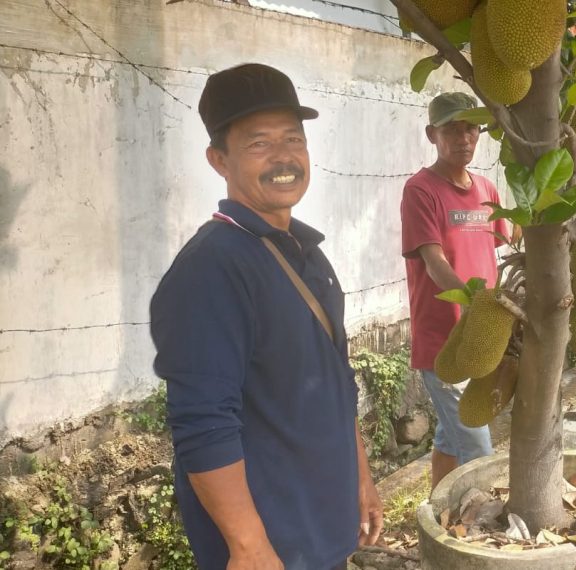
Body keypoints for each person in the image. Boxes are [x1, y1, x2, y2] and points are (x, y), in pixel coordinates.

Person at [150, 63, 382, 569]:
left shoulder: (306, 253)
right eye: (258, 143)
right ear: (219, 160)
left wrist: (359, 478)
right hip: (272, 547)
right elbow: (203, 424)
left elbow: (335, 383)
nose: (283, 157)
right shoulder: (212, 268)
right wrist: (249, 546)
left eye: (293, 139)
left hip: (322, 529)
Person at [400, 92, 507, 489]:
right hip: (444, 341)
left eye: (471, 128)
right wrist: (476, 302)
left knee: (451, 433)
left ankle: (439, 505)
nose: (464, 138)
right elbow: (435, 262)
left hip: (482, 337)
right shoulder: (421, 190)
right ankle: (479, 531)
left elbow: (491, 256)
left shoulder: (486, 190)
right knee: (477, 446)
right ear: (432, 134)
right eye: (452, 130)